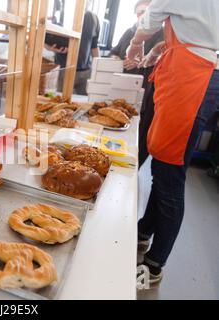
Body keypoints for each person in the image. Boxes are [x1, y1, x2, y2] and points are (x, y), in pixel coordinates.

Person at [127, 0, 219, 285]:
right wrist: (157, 50)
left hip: (191, 77)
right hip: (196, 70)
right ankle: (144, 232)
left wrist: (135, 44)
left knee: (170, 174)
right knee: (164, 163)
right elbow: (194, 29)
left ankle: (154, 265)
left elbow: (152, 18)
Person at [45, 9, 100, 95]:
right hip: (64, 70)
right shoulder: (60, 12)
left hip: (85, 72)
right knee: (60, 102)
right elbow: (43, 37)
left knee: (82, 104)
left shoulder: (93, 18)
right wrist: (50, 48)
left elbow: (94, 45)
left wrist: (98, 69)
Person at [110, 0, 164, 74]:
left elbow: (162, 57)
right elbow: (113, 52)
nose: (143, 14)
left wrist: (139, 61)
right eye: (140, 12)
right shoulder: (129, 32)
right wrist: (115, 59)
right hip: (122, 78)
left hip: (146, 79)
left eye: (146, 11)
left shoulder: (162, 32)